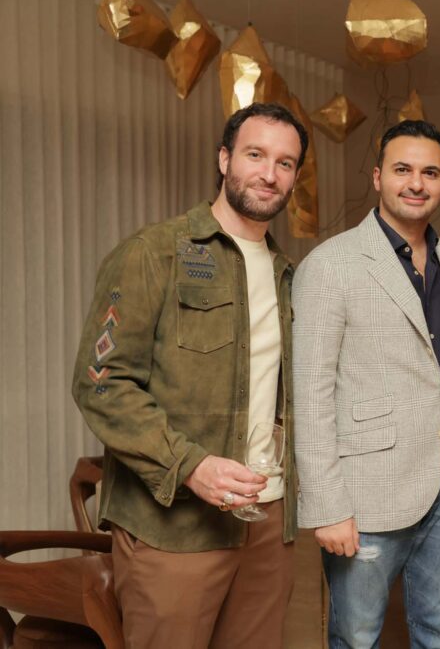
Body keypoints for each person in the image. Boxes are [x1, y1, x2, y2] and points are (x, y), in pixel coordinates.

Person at [71, 102, 308, 648]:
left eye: (285, 162)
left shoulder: (290, 276)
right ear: (224, 159)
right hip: (174, 526)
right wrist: (192, 466)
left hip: (267, 523)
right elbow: (100, 382)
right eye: (255, 155)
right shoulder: (154, 253)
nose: (269, 173)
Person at [292, 120, 440, 648]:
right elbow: (310, 391)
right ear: (377, 177)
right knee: (356, 638)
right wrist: (326, 505)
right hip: (365, 488)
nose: (416, 183)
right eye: (402, 170)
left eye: (430, 173)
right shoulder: (330, 264)